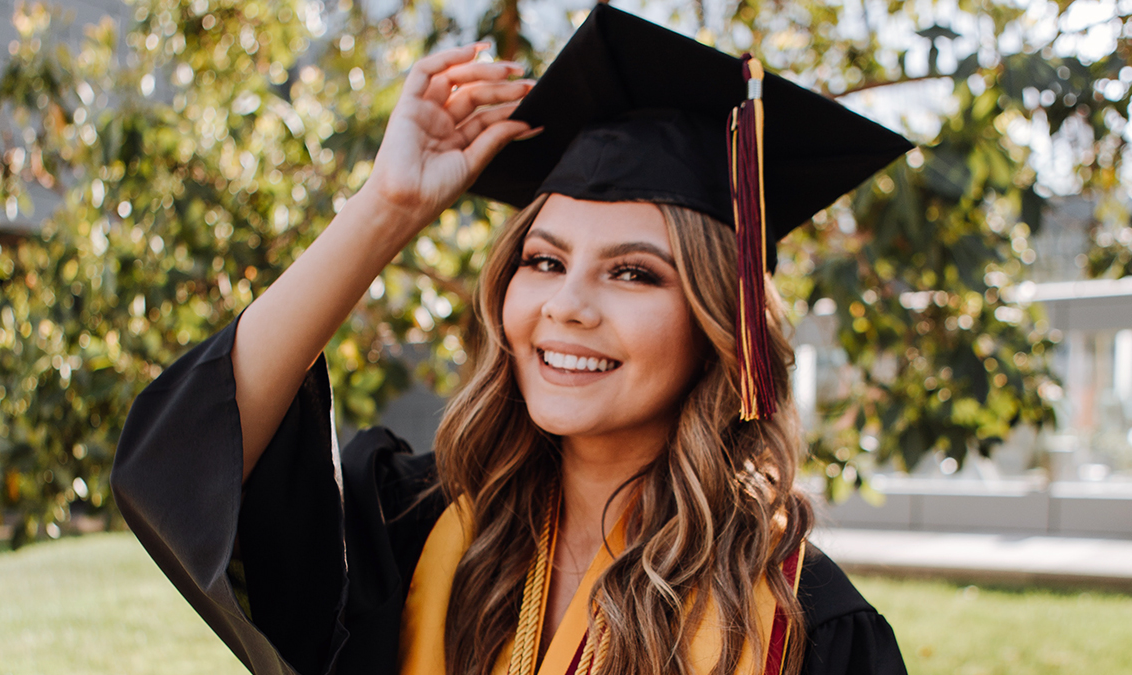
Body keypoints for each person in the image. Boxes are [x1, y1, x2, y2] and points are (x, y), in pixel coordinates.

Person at [111, 6, 911, 675]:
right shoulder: (420, 530)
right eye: (544, 259)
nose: (568, 305)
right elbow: (186, 463)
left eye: (633, 273)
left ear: (720, 322)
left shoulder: (804, 626)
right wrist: (387, 206)